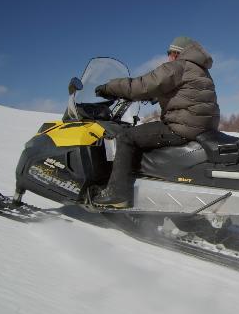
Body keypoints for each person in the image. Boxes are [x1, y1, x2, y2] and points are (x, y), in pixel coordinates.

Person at [90, 36, 220, 209]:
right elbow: (185, 92)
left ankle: (116, 193)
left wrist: (109, 87)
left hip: (182, 127)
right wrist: (155, 96)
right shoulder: (200, 70)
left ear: (176, 53)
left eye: (169, 53)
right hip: (203, 128)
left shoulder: (178, 66)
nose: (168, 57)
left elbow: (142, 85)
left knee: (126, 136)